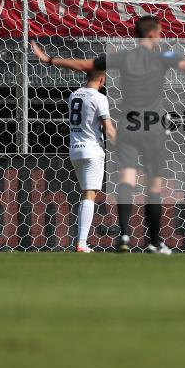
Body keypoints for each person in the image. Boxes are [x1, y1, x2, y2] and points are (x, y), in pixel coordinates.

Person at [31, 15, 185, 254]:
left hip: (128, 128)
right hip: (153, 128)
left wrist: (49, 59)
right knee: (153, 186)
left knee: (126, 181)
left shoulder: (123, 57)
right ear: (153, 34)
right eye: (161, 32)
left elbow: (84, 65)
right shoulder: (162, 56)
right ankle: (154, 241)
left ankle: (123, 236)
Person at [67, 69, 116, 252]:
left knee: (85, 194)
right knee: (90, 195)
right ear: (102, 79)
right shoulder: (99, 98)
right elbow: (108, 129)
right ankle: (81, 243)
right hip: (92, 151)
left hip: (75, 150)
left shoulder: (74, 95)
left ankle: (81, 242)